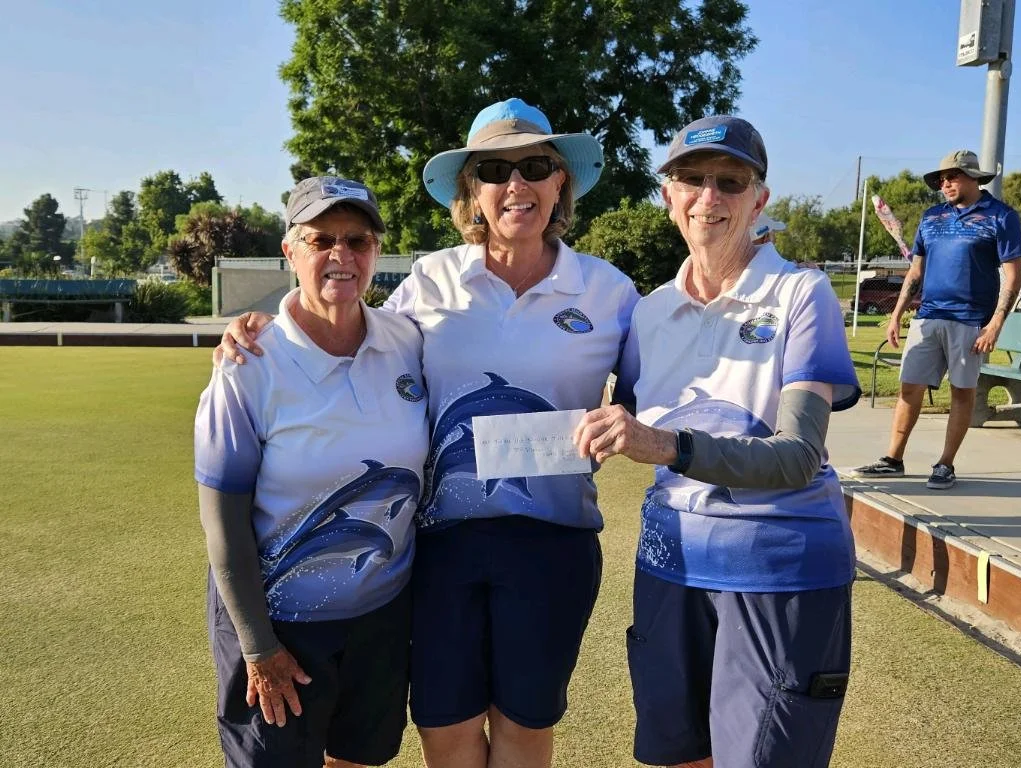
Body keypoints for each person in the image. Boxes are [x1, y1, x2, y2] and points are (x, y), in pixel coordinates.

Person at [216, 98, 640, 768]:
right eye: (495, 170)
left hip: (553, 546)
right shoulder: (430, 279)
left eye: (535, 166)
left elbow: (645, 412)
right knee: (446, 728)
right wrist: (263, 323)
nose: (516, 185)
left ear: (562, 182)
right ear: (471, 188)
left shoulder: (610, 292)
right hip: (440, 546)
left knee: (525, 726)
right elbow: (345, 317)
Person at [573, 115, 862, 768]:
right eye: (691, 179)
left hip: (781, 570)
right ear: (667, 195)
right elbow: (617, 415)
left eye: (729, 182)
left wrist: (669, 445)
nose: (709, 197)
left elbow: (797, 457)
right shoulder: (649, 312)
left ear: (758, 199)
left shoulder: (801, 294)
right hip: (668, 566)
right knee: (676, 757)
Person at [195, 177, 429, 767]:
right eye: (320, 239)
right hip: (277, 625)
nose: (341, 256)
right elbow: (223, 527)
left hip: (380, 615)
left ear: (377, 249)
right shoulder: (249, 364)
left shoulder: (406, 341)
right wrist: (257, 647)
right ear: (290, 251)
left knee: (358, 758)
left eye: (357, 240)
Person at [852, 150, 1021, 489]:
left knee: (962, 393)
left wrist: (995, 323)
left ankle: (945, 464)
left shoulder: (1001, 216)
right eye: (941, 179)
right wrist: (897, 313)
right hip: (927, 318)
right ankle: (893, 459)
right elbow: (916, 271)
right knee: (908, 387)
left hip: (971, 321)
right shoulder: (931, 218)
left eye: (953, 176)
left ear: (974, 177)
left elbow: (1014, 273)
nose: (945, 183)